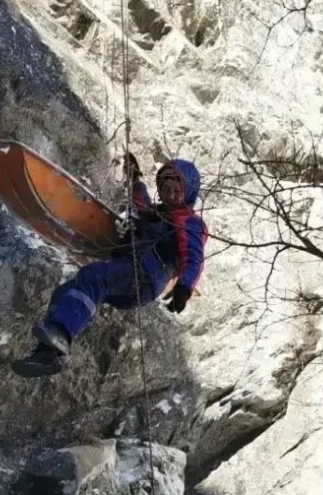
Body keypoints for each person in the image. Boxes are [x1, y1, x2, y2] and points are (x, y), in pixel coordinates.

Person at [11, 155, 207, 377]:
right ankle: (47, 353)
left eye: (177, 192)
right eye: (166, 189)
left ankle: (59, 336)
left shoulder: (189, 221)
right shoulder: (153, 214)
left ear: (189, 194)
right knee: (71, 289)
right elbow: (141, 203)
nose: (170, 195)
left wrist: (184, 287)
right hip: (131, 275)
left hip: (146, 276)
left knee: (94, 277)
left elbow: (194, 257)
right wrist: (135, 179)